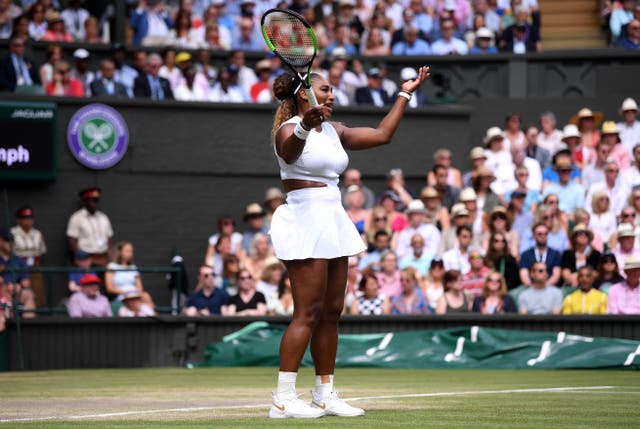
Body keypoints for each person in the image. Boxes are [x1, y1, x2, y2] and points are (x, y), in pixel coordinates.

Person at [267, 65, 429, 418]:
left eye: (331, 90)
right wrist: (307, 124)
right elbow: (291, 151)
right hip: (304, 219)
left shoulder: (335, 130)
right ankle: (282, 397)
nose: (331, 95)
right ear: (303, 94)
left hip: (333, 217)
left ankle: (324, 393)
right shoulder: (288, 129)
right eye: (324, 89)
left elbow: (383, 134)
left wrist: (405, 93)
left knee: (331, 313)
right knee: (306, 312)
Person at [66, 188, 113, 267]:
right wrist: (80, 256)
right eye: (93, 201)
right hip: (86, 258)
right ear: (85, 201)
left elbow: (109, 239)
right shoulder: (77, 217)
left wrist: (111, 258)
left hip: (103, 257)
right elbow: (72, 240)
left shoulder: (103, 217)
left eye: (97, 200)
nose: (95, 203)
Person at [10, 206, 46, 305]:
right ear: (18, 220)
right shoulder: (13, 232)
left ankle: (39, 314)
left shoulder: (37, 233)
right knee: (21, 290)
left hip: (34, 265)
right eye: (25, 218)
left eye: (30, 218)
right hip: (19, 265)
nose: (28, 221)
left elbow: (41, 251)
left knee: (38, 290)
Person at [105, 241, 154, 307]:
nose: (130, 254)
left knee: (145, 295)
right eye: (127, 251)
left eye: (131, 251)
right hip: (121, 296)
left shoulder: (133, 267)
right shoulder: (111, 266)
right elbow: (110, 288)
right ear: (120, 252)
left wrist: (134, 294)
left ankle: (152, 315)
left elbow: (139, 287)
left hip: (135, 295)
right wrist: (127, 293)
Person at [0, 229, 36, 317]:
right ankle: (7, 320)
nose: (10, 244)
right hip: (1, 292)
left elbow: (26, 282)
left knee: (28, 294)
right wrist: (6, 286)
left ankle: (29, 326)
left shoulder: (19, 261)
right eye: (7, 241)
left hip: (16, 291)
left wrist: (18, 285)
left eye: (12, 241)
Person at [519, 222, 562, 287]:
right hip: (530, 288)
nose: (543, 236)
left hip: (549, 288)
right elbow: (524, 276)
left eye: (545, 234)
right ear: (534, 236)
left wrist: (543, 287)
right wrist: (534, 288)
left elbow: (556, 275)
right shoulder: (526, 254)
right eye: (540, 234)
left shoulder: (555, 254)